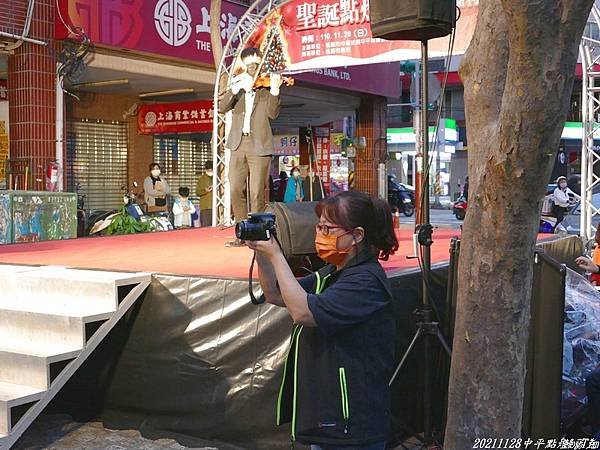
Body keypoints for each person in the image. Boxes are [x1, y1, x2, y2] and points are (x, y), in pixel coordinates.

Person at [246, 191, 399, 449]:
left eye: (327, 229)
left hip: (352, 425)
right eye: (318, 227)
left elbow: (303, 312)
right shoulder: (332, 273)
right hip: (327, 417)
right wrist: (261, 250)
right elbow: (275, 293)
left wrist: (277, 256)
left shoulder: (366, 281)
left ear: (357, 236)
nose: (319, 235)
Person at [218, 47, 282, 246]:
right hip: (237, 143)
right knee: (236, 188)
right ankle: (242, 232)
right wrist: (236, 89)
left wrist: (275, 90)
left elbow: (273, 114)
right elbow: (222, 107)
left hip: (259, 145)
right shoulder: (237, 83)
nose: (253, 66)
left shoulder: (266, 87)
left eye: (256, 63)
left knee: (256, 192)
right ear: (244, 64)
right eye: (249, 63)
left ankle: (256, 233)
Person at [196, 160, 214, 227]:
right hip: (205, 207)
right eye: (209, 170)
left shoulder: (218, 177)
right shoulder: (202, 179)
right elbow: (197, 192)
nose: (210, 171)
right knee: (206, 227)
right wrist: (205, 190)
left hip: (216, 207)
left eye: (211, 170)